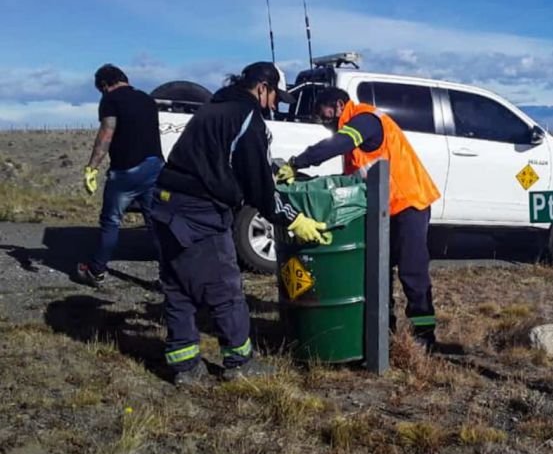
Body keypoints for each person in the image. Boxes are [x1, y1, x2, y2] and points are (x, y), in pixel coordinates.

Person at [152, 61, 327, 386]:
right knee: (225, 289)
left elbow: (218, 160)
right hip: (198, 213)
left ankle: (185, 366)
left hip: (165, 203)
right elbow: (260, 190)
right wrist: (293, 218)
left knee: (179, 288)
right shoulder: (247, 119)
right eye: (275, 96)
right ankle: (239, 362)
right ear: (262, 88)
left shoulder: (212, 109)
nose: (275, 105)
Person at [278, 87, 441, 350]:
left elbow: (338, 144)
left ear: (340, 105)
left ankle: (424, 335)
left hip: (409, 203)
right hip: (383, 208)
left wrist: (298, 162)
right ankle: (382, 328)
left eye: (325, 111)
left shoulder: (365, 121)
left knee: (412, 270)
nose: (323, 119)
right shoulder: (353, 127)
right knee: (377, 268)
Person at [76, 64, 164, 287]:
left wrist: (91, 168)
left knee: (111, 222)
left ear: (105, 84)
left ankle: (96, 271)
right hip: (155, 166)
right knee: (156, 223)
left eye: (101, 89)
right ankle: (169, 277)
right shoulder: (147, 99)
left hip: (126, 171)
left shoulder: (110, 100)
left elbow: (106, 135)